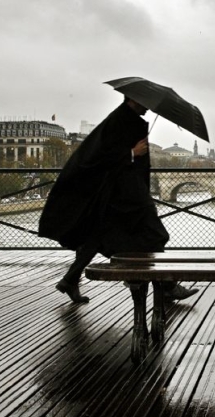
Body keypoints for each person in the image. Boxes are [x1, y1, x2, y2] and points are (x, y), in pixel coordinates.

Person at [38, 96, 198, 303]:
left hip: (121, 193)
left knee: (97, 237)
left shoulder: (126, 119)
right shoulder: (119, 120)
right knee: (154, 234)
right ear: (133, 99)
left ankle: (70, 279)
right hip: (124, 196)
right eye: (145, 103)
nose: (148, 107)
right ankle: (166, 286)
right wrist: (132, 152)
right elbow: (99, 157)